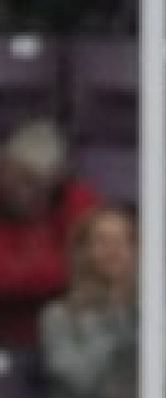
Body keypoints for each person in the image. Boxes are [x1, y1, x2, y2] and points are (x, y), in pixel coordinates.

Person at [39, 205, 138, 398]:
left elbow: (161, 373)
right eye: (103, 242)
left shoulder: (154, 313)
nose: (113, 250)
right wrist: (103, 319)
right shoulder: (57, 316)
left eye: (121, 241)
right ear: (83, 252)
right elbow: (81, 378)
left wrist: (122, 313)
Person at [0, 118, 100, 347]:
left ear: (56, 181)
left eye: (36, 184)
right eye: (19, 179)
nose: (24, 193)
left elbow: (97, 266)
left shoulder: (78, 203)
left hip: (63, 338)